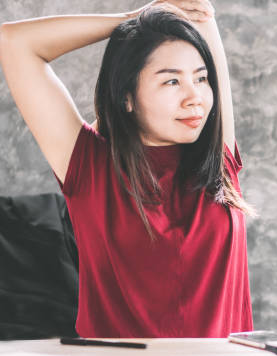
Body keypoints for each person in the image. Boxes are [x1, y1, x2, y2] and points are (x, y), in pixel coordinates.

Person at [0, 1, 256, 338]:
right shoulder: (89, 165)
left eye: (201, 78)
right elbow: (13, 42)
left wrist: (169, 18)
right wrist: (132, 21)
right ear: (127, 98)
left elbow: (197, 12)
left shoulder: (216, 157)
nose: (195, 98)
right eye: (171, 82)